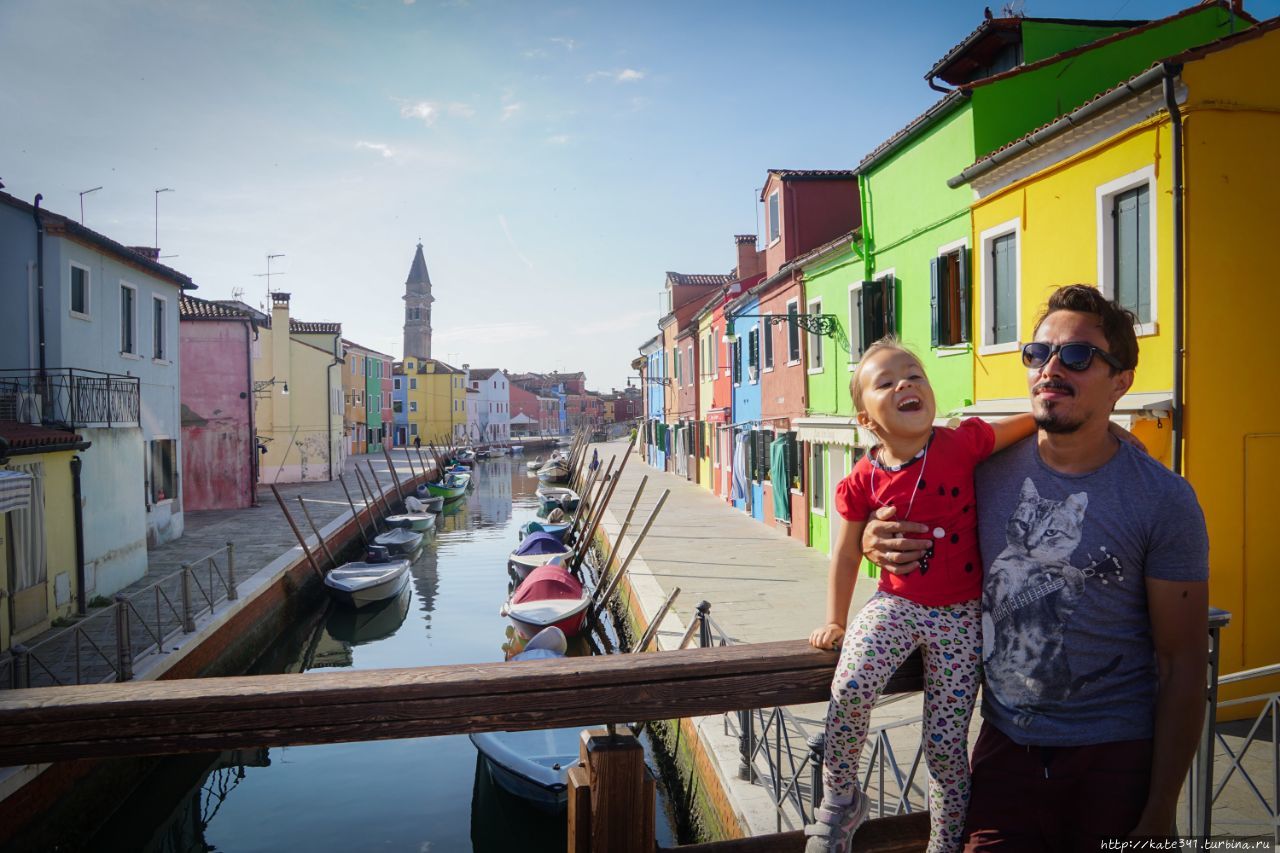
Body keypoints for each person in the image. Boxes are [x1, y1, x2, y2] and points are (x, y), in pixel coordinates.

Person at [862, 285, 1208, 849]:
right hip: (1005, 750)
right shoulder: (981, 470)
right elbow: (898, 483)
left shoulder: (1163, 500)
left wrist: (1160, 811)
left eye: (1076, 356)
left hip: (1115, 759)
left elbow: (1183, 663)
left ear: (1121, 381)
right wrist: (876, 536)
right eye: (1037, 353)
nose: (1050, 368)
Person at [805, 337, 1038, 853]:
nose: (905, 384)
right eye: (885, 383)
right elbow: (845, 556)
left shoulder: (961, 443)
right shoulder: (861, 480)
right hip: (895, 605)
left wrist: (1097, 424)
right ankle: (841, 800)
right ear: (867, 419)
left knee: (945, 747)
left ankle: (944, 843)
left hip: (960, 617)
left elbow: (1026, 422)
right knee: (850, 689)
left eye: (914, 374)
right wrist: (836, 620)